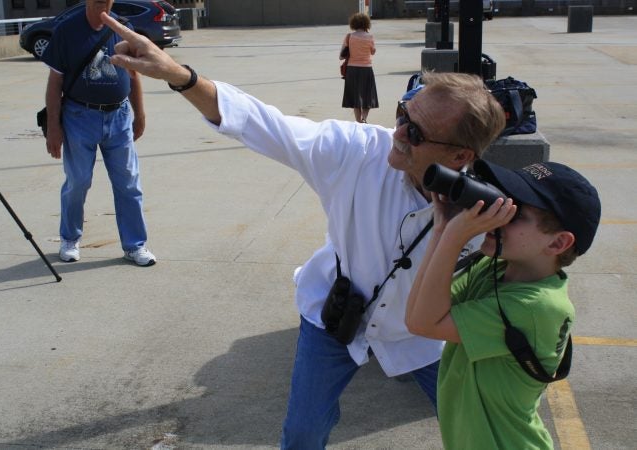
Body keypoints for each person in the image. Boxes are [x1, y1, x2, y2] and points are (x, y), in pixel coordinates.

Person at [98, 12, 505, 448]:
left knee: (473, 428)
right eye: (404, 112)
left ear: (460, 157)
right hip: (332, 316)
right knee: (303, 433)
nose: (398, 131)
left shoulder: (487, 210)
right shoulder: (356, 152)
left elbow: (535, 269)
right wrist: (179, 76)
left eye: (417, 130)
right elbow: (264, 123)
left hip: (419, 336)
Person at [405, 159, 601, 449]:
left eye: (515, 213)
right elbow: (417, 311)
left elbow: (422, 322)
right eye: (501, 200)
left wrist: (453, 236)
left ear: (558, 243)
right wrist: (442, 228)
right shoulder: (494, 270)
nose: (496, 215)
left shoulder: (536, 306)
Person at [41, 0, 156, 266]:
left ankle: (134, 245)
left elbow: (134, 75)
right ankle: (69, 238)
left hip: (119, 117)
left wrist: (140, 115)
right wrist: (54, 127)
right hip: (79, 118)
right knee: (78, 181)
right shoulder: (66, 30)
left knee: (128, 182)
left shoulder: (123, 28)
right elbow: (55, 81)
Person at [340, 12, 378, 123]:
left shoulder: (349, 37)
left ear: (353, 24)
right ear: (367, 23)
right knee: (368, 96)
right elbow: (373, 51)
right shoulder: (370, 37)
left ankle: (358, 122)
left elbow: (341, 56)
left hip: (352, 70)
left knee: (356, 98)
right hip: (366, 69)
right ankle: (364, 118)